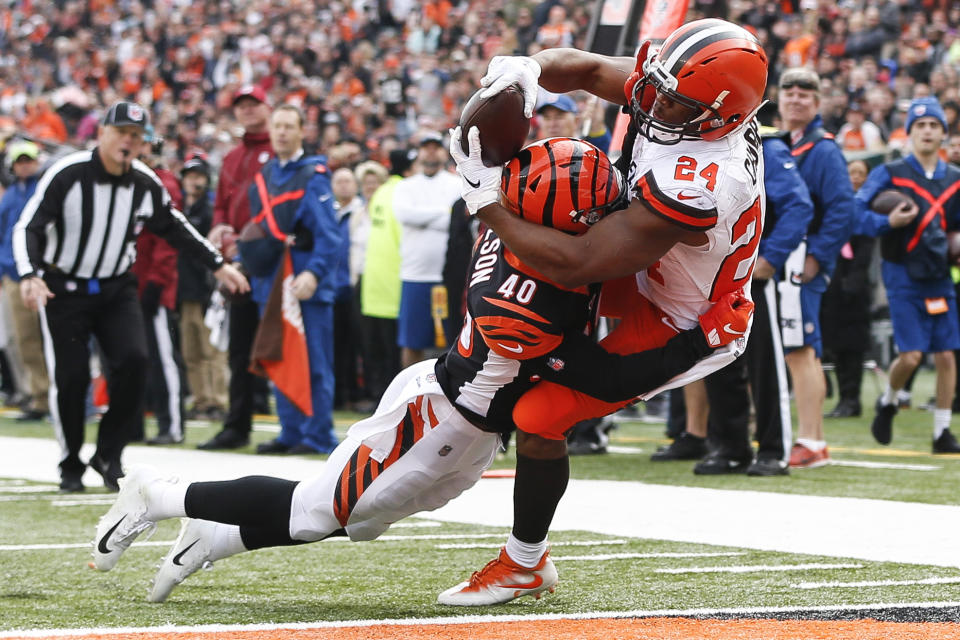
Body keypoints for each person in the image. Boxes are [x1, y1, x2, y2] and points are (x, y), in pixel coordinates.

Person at [89, 138, 750, 603]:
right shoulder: (529, 298)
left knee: (355, 520)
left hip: (468, 423)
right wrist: (699, 344)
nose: (610, 215)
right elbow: (603, 381)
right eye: (597, 208)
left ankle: (212, 538)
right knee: (319, 515)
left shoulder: (525, 231)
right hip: (438, 418)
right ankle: (166, 495)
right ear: (565, 222)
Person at [440, 18, 767, 604]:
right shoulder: (686, 95)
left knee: (539, 415)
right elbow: (589, 70)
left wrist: (485, 199)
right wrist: (527, 70)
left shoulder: (703, 179)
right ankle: (475, 393)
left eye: (674, 99)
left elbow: (581, 262)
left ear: (718, 115)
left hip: (684, 317)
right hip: (641, 264)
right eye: (658, 85)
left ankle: (524, 563)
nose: (654, 99)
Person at [13, 101, 249, 493]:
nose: (128, 141)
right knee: (71, 378)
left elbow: (173, 226)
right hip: (63, 288)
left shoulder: (143, 181)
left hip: (114, 287)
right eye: (121, 132)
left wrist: (217, 264)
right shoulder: (67, 174)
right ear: (102, 133)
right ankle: (70, 461)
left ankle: (109, 453)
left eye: (136, 136)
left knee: (136, 362)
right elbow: (30, 227)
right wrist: (30, 275)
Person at [651, 124, 814, 477]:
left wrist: (770, 258)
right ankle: (729, 446)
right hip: (710, 274)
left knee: (764, 364)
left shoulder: (763, 143)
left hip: (749, 272)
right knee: (716, 359)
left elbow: (798, 205)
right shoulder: (697, 142)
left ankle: (773, 449)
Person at [858, 97, 960, 453]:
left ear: (943, 134)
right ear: (910, 133)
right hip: (901, 272)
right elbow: (856, 215)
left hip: (940, 276)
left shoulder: (955, 179)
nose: (928, 131)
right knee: (914, 354)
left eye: (934, 125)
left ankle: (942, 433)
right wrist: (888, 221)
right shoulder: (889, 173)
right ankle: (889, 400)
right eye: (921, 125)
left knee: (947, 354)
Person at [242, 104, 342, 456]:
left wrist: (314, 274)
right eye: (277, 126)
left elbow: (329, 236)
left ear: (302, 131)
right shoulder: (264, 176)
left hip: (304, 284)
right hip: (272, 284)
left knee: (314, 362)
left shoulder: (313, 175)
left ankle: (317, 434)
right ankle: (290, 431)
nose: (282, 132)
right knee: (278, 357)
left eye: (289, 126)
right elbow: (259, 229)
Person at [776, 68, 856, 469]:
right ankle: (813, 440)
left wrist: (817, 257)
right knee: (796, 349)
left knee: (800, 349)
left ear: (818, 101)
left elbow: (843, 209)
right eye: (788, 90)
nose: (795, 97)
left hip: (801, 263)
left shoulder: (823, 150)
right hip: (787, 262)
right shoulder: (783, 144)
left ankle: (810, 439)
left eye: (805, 92)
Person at [197, 85, 274, 451]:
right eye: (240, 106)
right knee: (239, 348)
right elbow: (221, 205)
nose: (246, 111)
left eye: (252, 104)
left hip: (272, 260)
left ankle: (297, 425)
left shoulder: (277, 151)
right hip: (240, 263)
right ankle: (237, 424)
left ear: (266, 107)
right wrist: (218, 229)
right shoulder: (231, 157)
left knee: (280, 343)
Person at [393, 132, 462, 368]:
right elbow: (405, 215)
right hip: (416, 275)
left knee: (454, 342)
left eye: (435, 147)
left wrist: (424, 217)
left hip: (450, 277)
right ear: (419, 152)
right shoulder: (405, 186)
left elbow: (458, 222)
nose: (431, 152)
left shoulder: (456, 184)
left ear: (444, 152)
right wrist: (443, 213)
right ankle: (410, 398)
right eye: (426, 147)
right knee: (413, 342)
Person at [822, 158, 875, 418]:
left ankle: (852, 399)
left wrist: (852, 283)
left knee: (853, 345)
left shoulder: (865, 208)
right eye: (851, 172)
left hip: (854, 286)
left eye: (860, 173)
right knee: (836, 344)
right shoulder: (836, 204)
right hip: (833, 283)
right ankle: (842, 397)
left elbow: (865, 250)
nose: (855, 177)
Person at [0, 140, 49, 421]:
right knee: (23, 340)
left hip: (37, 274)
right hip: (12, 274)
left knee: (42, 338)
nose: (24, 165)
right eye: (20, 161)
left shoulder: (42, 190)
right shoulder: (9, 196)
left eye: (28, 160)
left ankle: (46, 395)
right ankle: (36, 395)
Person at [177, 156, 227, 421]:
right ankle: (201, 400)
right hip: (185, 291)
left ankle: (218, 401)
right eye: (189, 176)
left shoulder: (208, 212)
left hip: (206, 290)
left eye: (198, 176)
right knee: (191, 352)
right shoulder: (180, 211)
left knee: (211, 351)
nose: (193, 181)